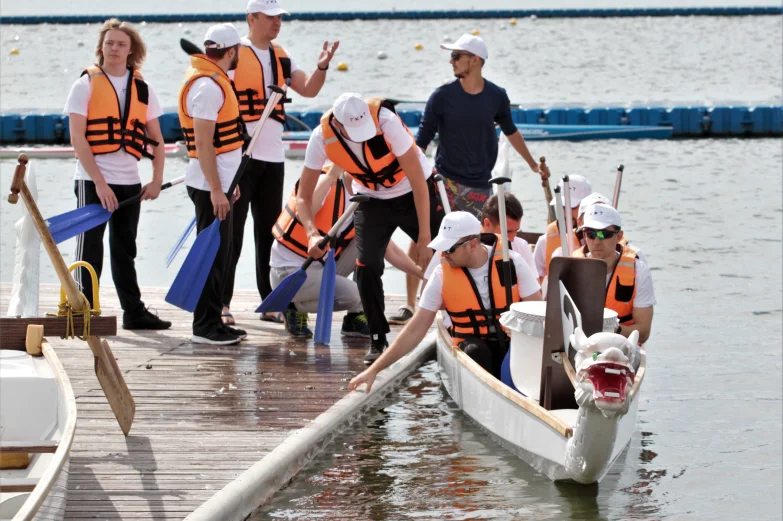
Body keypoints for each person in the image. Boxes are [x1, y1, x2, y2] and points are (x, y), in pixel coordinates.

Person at [389, 33, 547, 326]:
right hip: (443, 181)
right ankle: (412, 305)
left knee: (470, 245)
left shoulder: (496, 96)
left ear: (475, 61)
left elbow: (510, 131)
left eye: (456, 56)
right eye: (452, 56)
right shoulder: (441, 96)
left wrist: (533, 166)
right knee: (424, 237)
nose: (451, 61)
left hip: (479, 185)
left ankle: (468, 302)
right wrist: (400, 176)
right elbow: (420, 141)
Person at [296, 93, 444, 362]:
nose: (362, 136)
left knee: (449, 253)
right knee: (367, 267)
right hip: (371, 199)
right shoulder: (321, 137)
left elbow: (419, 183)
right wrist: (310, 234)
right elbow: (303, 198)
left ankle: (463, 322)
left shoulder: (387, 122)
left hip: (415, 192)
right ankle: (378, 339)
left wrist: (424, 238)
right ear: (339, 126)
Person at [221, 0, 340, 326]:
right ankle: (222, 303)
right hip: (241, 156)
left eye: (279, 18)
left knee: (267, 233)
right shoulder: (235, 52)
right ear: (252, 18)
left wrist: (322, 66)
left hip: (273, 158)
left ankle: (269, 302)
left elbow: (310, 89)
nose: (276, 23)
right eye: (270, 17)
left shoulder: (281, 56)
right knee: (233, 233)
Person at [349, 212, 542, 392]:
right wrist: (374, 369)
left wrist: (520, 329)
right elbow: (415, 330)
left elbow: (539, 313)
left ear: (473, 244)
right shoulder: (441, 275)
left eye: (449, 248)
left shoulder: (513, 263)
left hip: (512, 345)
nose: (444, 254)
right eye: (441, 248)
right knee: (476, 351)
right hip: (474, 348)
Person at [65, 18, 170, 330]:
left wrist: (155, 179)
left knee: (125, 250)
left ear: (131, 50)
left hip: (130, 183)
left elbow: (157, 140)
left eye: (120, 43)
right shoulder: (84, 84)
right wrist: (99, 183)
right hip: (91, 179)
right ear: (101, 47)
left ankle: (133, 312)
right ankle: (85, 310)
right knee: (90, 249)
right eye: (109, 43)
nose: (113, 48)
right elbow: (77, 139)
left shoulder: (144, 89)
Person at [270, 165, 424, 338]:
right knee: (358, 294)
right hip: (290, 273)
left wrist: (421, 274)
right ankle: (294, 306)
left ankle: (354, 319)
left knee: (372, 245)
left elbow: (390, 250)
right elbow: (305, 210)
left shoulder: (366, 197)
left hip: (321, 267)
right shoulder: (327, 181)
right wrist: (330, 176)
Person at [177, 23, 248, 345]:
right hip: (208, 188)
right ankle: (204, 326)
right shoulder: (207, 87)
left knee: (224, 254)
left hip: (219, 184)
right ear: (231, 51)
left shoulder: (215, 81)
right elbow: (204, 145)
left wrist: (228, 184)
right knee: (212, 257)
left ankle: (215, 320)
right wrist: (218, 189)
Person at [572, 205, 655, 344]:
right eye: (591, 234)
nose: (597, 241)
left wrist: (611, 329)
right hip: (580, 343)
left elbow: (644, 331)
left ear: (619, 236)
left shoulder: (639, 271)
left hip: (621, 346)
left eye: (604, 234)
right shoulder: (571, 267)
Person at [532, 174, 592, 280]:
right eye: (563, 206)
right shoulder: (544, 242)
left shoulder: (598, 238)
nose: (566, 212)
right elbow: (536, 282)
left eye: (572, 207)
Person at [481, 192, 536, 273]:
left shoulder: (521, 246)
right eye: (507, 231)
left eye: (516, 230)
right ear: (487, 224)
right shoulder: (469, 251)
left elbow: (535, 283)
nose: (512, 239)